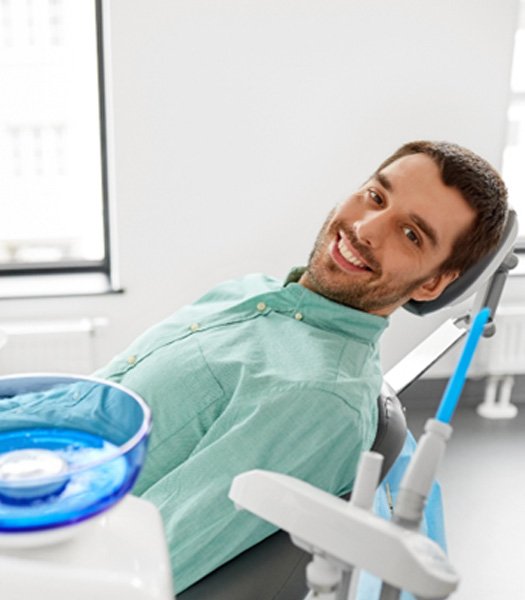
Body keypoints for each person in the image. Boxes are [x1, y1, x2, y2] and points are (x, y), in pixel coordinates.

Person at [2, 141, 509, 594]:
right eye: (376, 196)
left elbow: (147, 566)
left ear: (430, 285)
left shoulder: (315, 400)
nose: (365, 228)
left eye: (411, 234)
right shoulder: (252, 292)